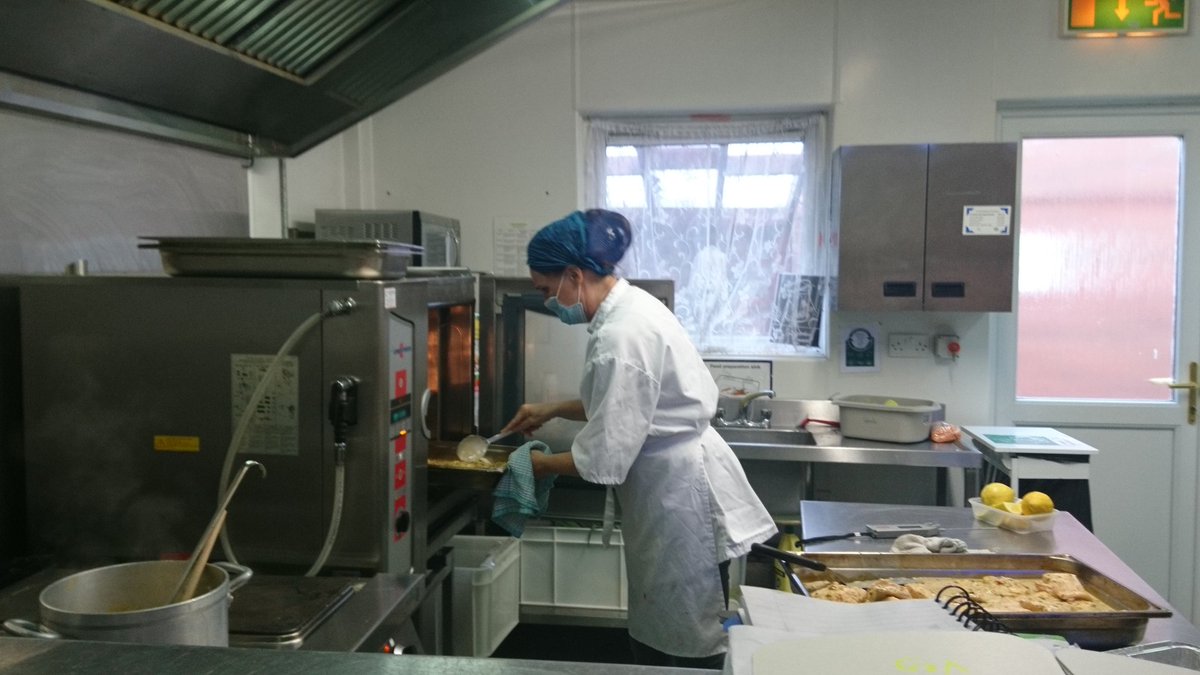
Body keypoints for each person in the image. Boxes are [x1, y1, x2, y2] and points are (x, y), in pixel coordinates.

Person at [499, 208, 777, 668]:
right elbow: (628, 403)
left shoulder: (621, 336)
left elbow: (604, 457)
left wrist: (532, 464)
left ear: (574, 275)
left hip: (678, 503)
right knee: (668, 628)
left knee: (684, 641)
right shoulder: (632, 308)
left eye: (548, 291)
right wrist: (551, 408)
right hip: (672, 489)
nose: (548, 302)